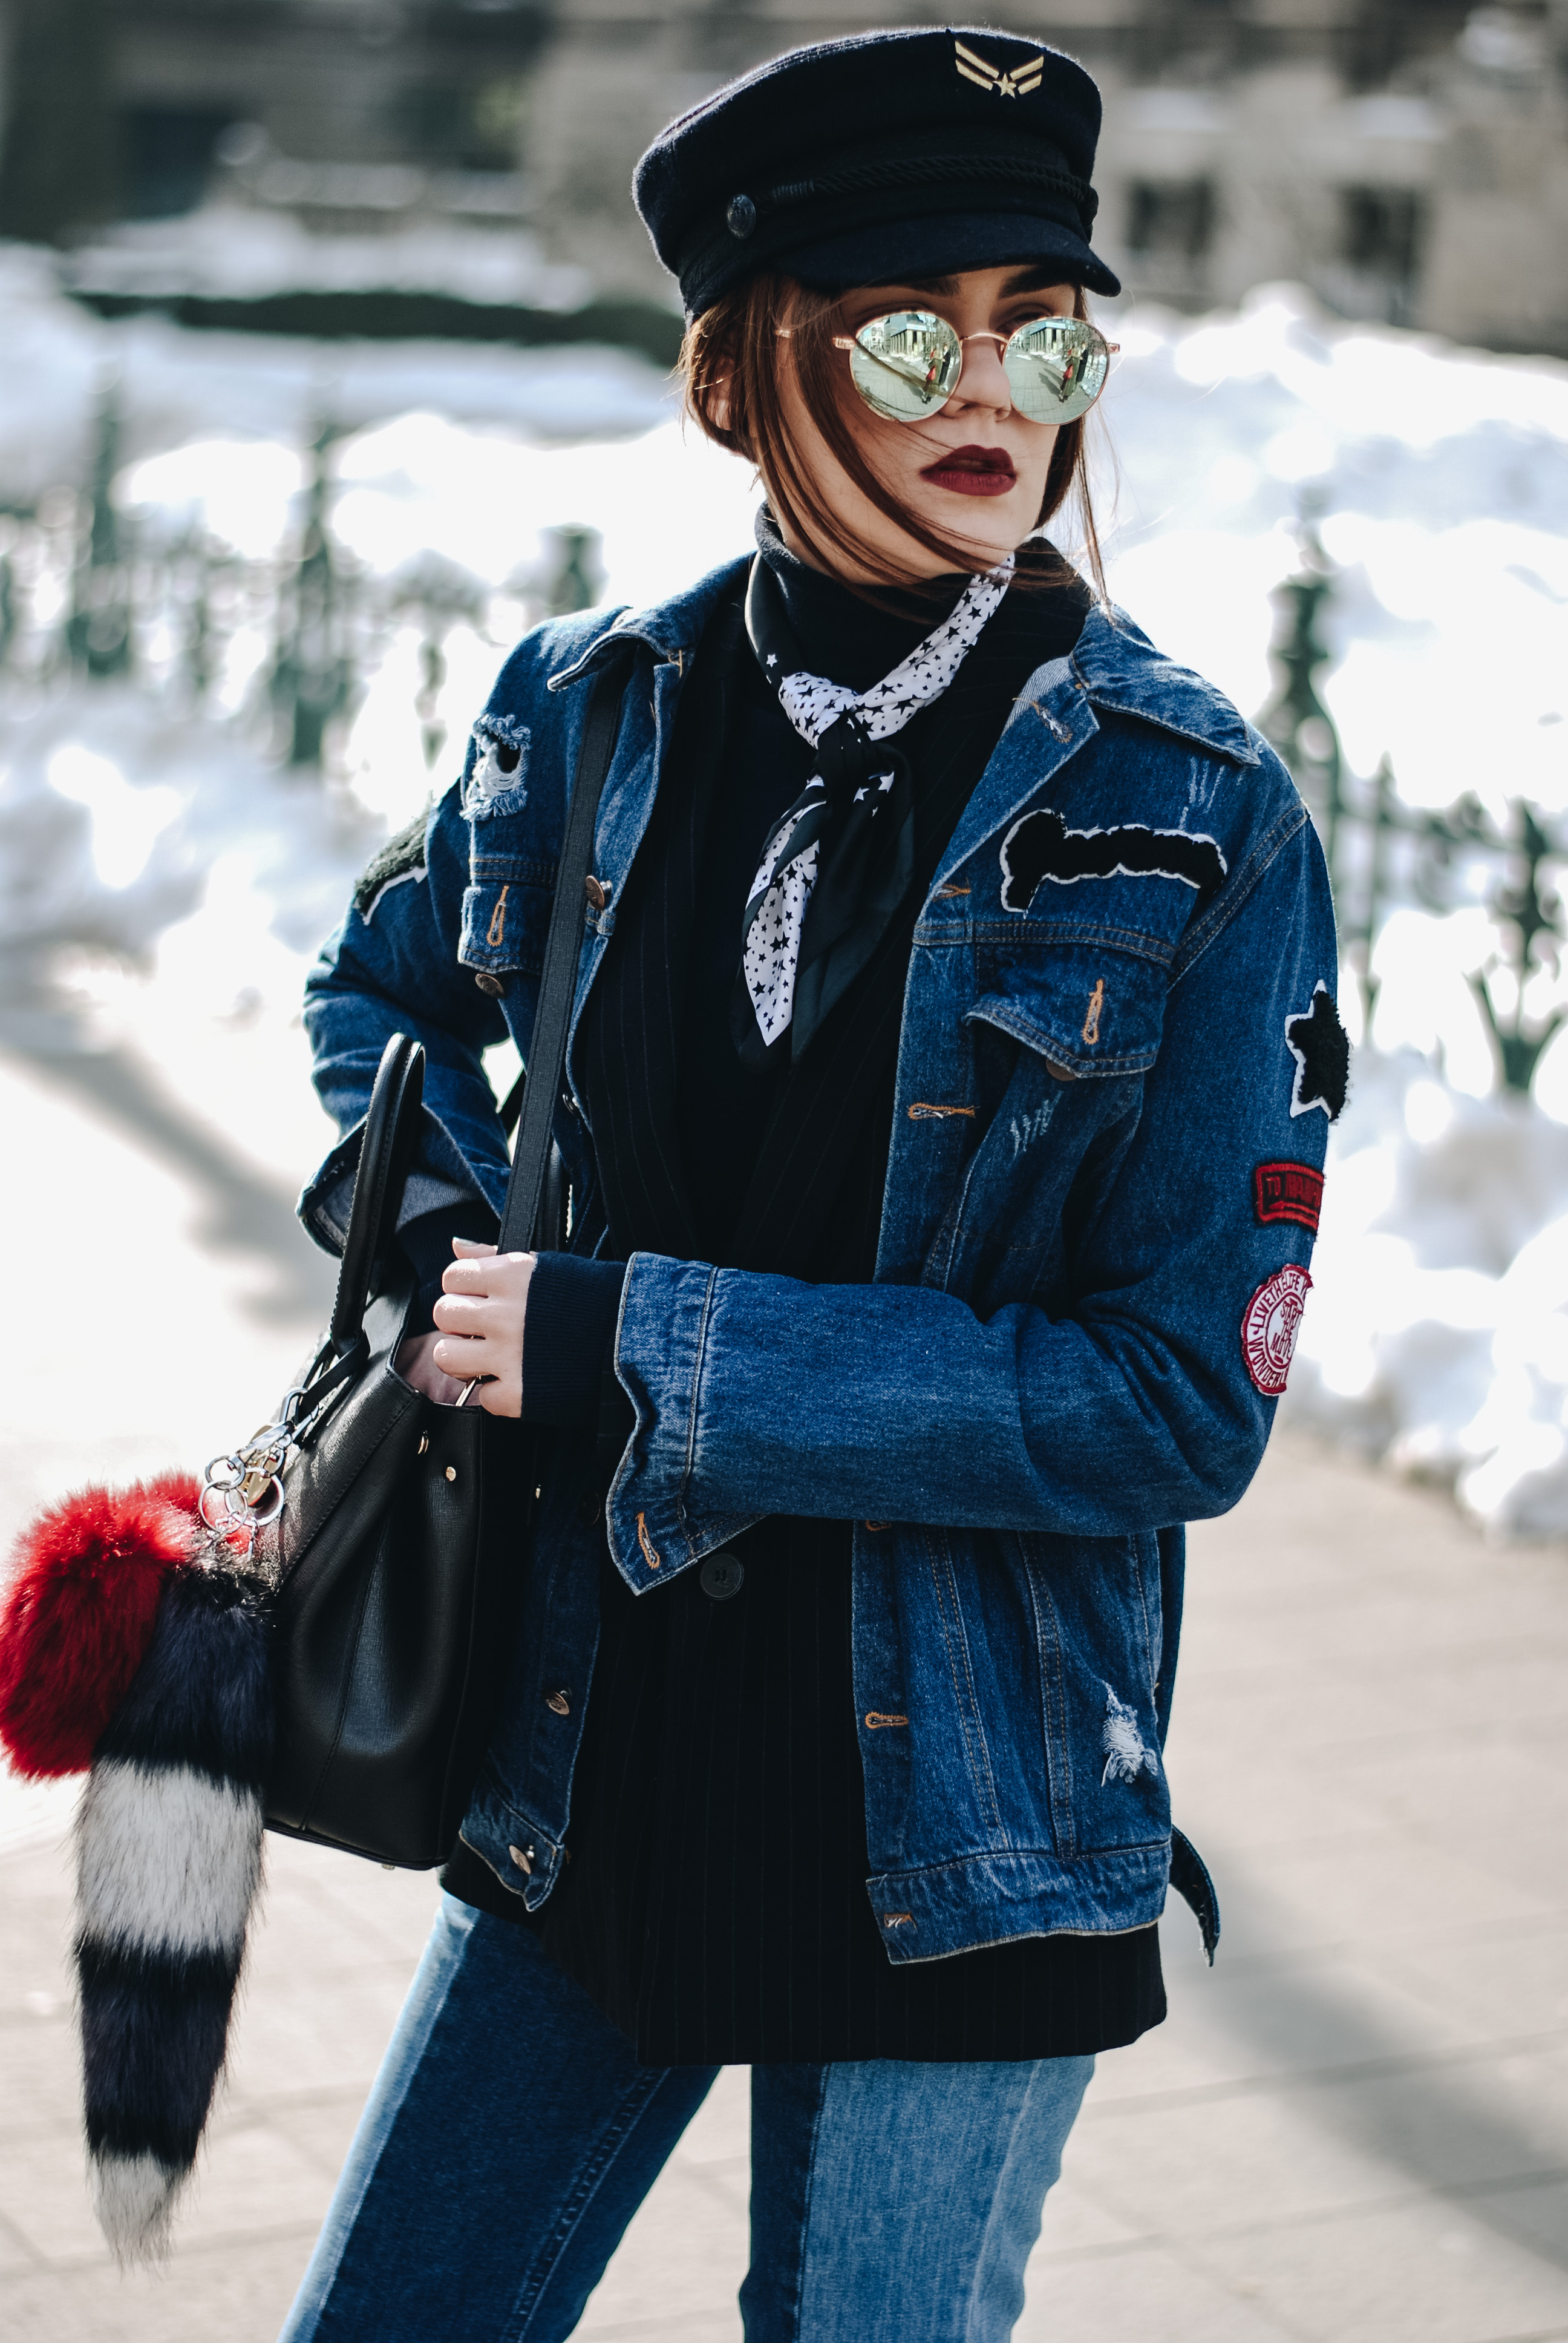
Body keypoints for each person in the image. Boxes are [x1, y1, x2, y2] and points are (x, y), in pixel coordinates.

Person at [279, 27, 1344, 2342]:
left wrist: (637, 1343)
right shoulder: (592, 707)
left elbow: (1177, 1404)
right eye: (910, 331)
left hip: (966, 1816)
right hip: (578, 1750)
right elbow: (379, 992)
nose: (1000, 389)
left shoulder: (1194, 813)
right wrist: (460, 1246)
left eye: (1046, 329)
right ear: (753, 372)